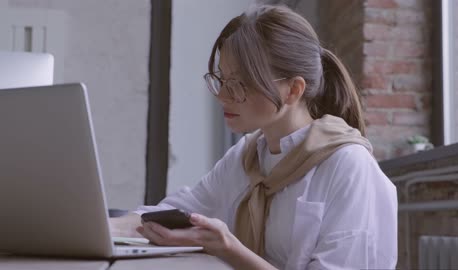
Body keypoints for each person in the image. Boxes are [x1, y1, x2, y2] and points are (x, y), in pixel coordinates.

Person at [110, 4, 397, 270]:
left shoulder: (349, 167)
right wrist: (102, 227)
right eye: (222, 79)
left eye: (238, 84)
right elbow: (175, 212)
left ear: (293, 90)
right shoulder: (247, 157)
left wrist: (230, 249)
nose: (222, 96)